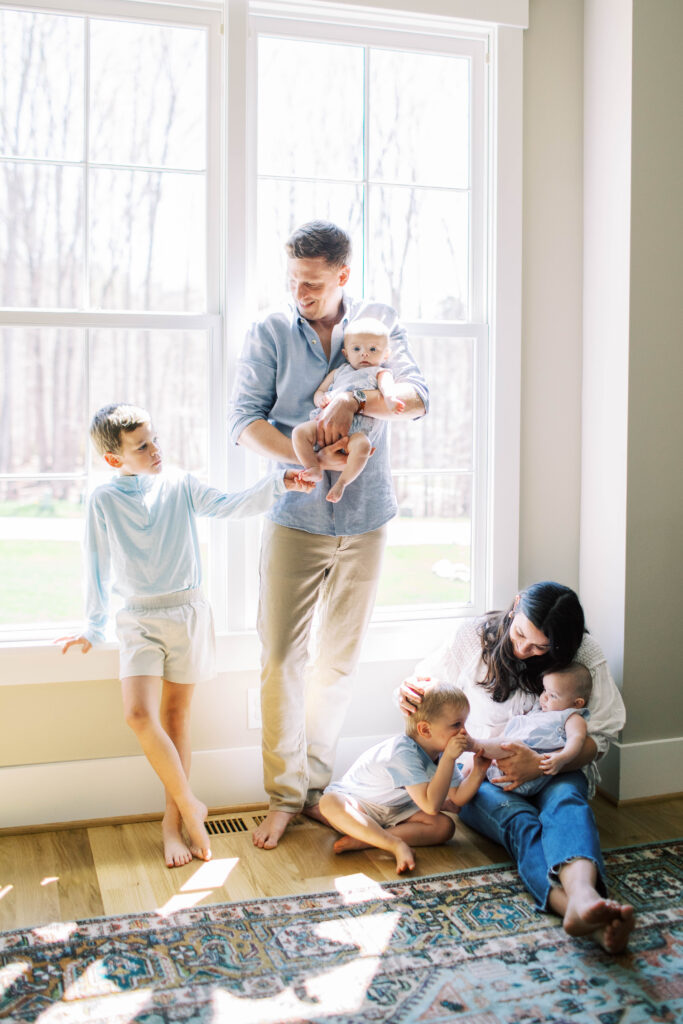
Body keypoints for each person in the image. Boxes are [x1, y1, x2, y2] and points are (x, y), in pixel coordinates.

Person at [229, 220, 428, 850]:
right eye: (292, 280)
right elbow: (244, 422)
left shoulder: (376, 328)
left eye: (312, 282)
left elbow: (419, 398)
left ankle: (317, 791)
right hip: (296, 517)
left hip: (366, 518)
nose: (300, 292)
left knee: (337, 665)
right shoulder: (269, 331)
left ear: (342, 274)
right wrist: (300, 463)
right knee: (283, 661)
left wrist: (352, 401)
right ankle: (284, 797)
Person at [60, 403, 313, 868]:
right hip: (137, 619)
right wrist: (93, 626)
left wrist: (280, 481)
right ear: (115, 459)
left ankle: (173, 824)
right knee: (139, 715)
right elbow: (94, 564)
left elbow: (230, 505)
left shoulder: (180, 483)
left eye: (154, 438)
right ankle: (192, 803)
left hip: (187, 611)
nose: (156, 449)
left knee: (177, 718)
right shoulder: (103, 500)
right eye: (142, 446)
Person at [398, 581, 635, 953]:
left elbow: (598, 740)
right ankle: (570, 906)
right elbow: (429, 687)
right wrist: (412, 691)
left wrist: (544, 765)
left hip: (558, 767)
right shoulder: (474, 638)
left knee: (566, 805)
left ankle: (585, 895)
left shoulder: (583, 654)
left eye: (541, 647)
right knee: (519, 824)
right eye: (521, 634)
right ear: (516, 605)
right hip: (481, 775)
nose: (524, 650)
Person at [319, 683, 490, 873]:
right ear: (425, 730)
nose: (464, 731)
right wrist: (449, 758)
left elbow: (457, 798)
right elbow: (430, 806)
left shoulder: (440, 752)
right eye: (457, 725)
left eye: (465, 723)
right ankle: (393, 844)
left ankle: (365, 839)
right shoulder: (402, 752)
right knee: (329, 802)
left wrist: (478, 771)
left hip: (399, 810)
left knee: (444, 827)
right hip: (362, 805)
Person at [292, 317, 405, 503]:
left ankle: (342, 483)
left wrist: (391, 399)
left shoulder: (380, 373)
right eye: (357, 349)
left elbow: (388, 389)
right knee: (299, 433)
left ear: (385, 355)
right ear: (345, 353)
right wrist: (322, 399)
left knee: (364, 447)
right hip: (324, 422)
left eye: (373, 349)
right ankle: (312, 467)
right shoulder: (339, 372)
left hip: (357, 432)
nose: (364, 354)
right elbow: (319, 391)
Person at [479, 662, 592, 796]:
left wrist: (561, 757)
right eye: (544, 690)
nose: (543, 697)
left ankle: (474, 745)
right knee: (477, 766)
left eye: (553, 695)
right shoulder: (538, 710)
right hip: (500, 763)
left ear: (577, 703)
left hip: (526, 775)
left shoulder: (571, 717)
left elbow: (576, 739)